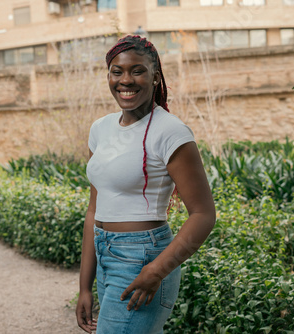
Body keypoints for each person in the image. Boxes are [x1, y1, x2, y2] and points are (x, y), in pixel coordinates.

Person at [76, 35, 216, 334]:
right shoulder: (100, 129)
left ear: (155, 77)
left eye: (137, 70)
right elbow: (94, 209)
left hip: (143, 258)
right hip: (105, 255)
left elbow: (203, 214)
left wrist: (156, 271)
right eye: (117, 71)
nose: (126, 80)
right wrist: (85, 287)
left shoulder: (170, 132)